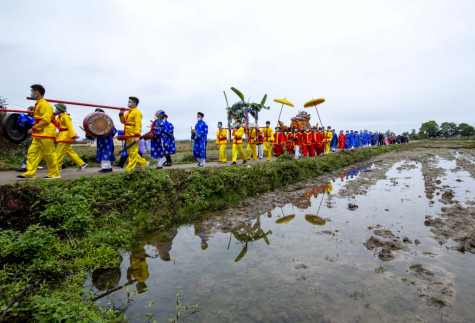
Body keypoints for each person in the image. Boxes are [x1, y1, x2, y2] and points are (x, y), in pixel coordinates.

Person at [18, 84, 60, 180]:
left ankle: (54, 173)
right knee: (31, 153)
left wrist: (34, 128)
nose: (31, 93)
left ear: (37, 92)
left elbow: (45, 120)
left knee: (49, 154)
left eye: (32, 91)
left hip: (46, 133)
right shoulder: (38, 104)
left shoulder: (45, 105)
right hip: (38, 133)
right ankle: (30, 173)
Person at [54, 103, 87, 172]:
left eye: (56, 108)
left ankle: (58, 167)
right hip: (62, 136)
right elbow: (55, 124)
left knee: (59, 152)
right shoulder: (59, 117)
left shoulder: (66, 117)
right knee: (69, 152)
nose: (55, 109)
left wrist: (73, 136)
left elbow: (70, 127)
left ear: (59, 109)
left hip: (64, 137)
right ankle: (82, 164)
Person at [119, 97, 149, 171]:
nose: (128, 103)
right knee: (130, 152)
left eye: (130, 102)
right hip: (128, 134)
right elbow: (123, 121)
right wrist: (121, 114)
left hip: (133, 135)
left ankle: (129, 169)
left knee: (133, 152)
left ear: (134, 103)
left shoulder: (137, 112)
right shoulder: (128, 112)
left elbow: (138, 124)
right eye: (128, 102)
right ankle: (144, 163)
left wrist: (137, 136)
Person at [15, 106, 35, 172]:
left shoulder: (36, 118)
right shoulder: (30, 119)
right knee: (29, 152)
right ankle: (25, 166)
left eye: (29, 111)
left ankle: (59, 164)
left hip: (44, 138)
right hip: (36, 138)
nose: (28, 113)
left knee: (49, 153)